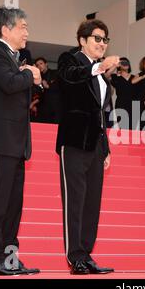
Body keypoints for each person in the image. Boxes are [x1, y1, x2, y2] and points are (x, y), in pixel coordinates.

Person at [0, 7, 41, 275]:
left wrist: (27, 73)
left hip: (15, 144)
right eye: (23, 27)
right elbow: (9, 83)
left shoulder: (14, 58)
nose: (27, 32)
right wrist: (31, 74)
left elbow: (18, 88)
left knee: (13, 207)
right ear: (6, 29)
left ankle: (10, 259)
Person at [56, 19, 118, 275]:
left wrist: (105, 149)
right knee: (75, 201)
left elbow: (101, 115)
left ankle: (87, 254)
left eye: (105, 39)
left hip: (96, 145)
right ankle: (75, 257)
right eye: (97, 38)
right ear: (82, 40)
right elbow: (69, 78)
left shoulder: (102, 76)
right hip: (73, 141)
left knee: (92, 202)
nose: (102, 43)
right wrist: (98, 68)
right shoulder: (70, 60)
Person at [110, 57, 136, 129]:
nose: (125, 64)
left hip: (133, 105)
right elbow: (105, 76)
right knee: (122, 128)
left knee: (132, 130)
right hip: (121, 104)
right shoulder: (115, 77)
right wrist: (115, 65)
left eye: (126, 62)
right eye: (122, 63)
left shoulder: (135, 77)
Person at [34, 57, 60, 124]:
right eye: (37, 65)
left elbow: (61, 87)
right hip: (43, 108)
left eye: (41, 63)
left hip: (55, 107)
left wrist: (48, 86)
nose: (39, 66)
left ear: (46, 64)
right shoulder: (38, 77)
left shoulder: (55, 73)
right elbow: (39, 94)